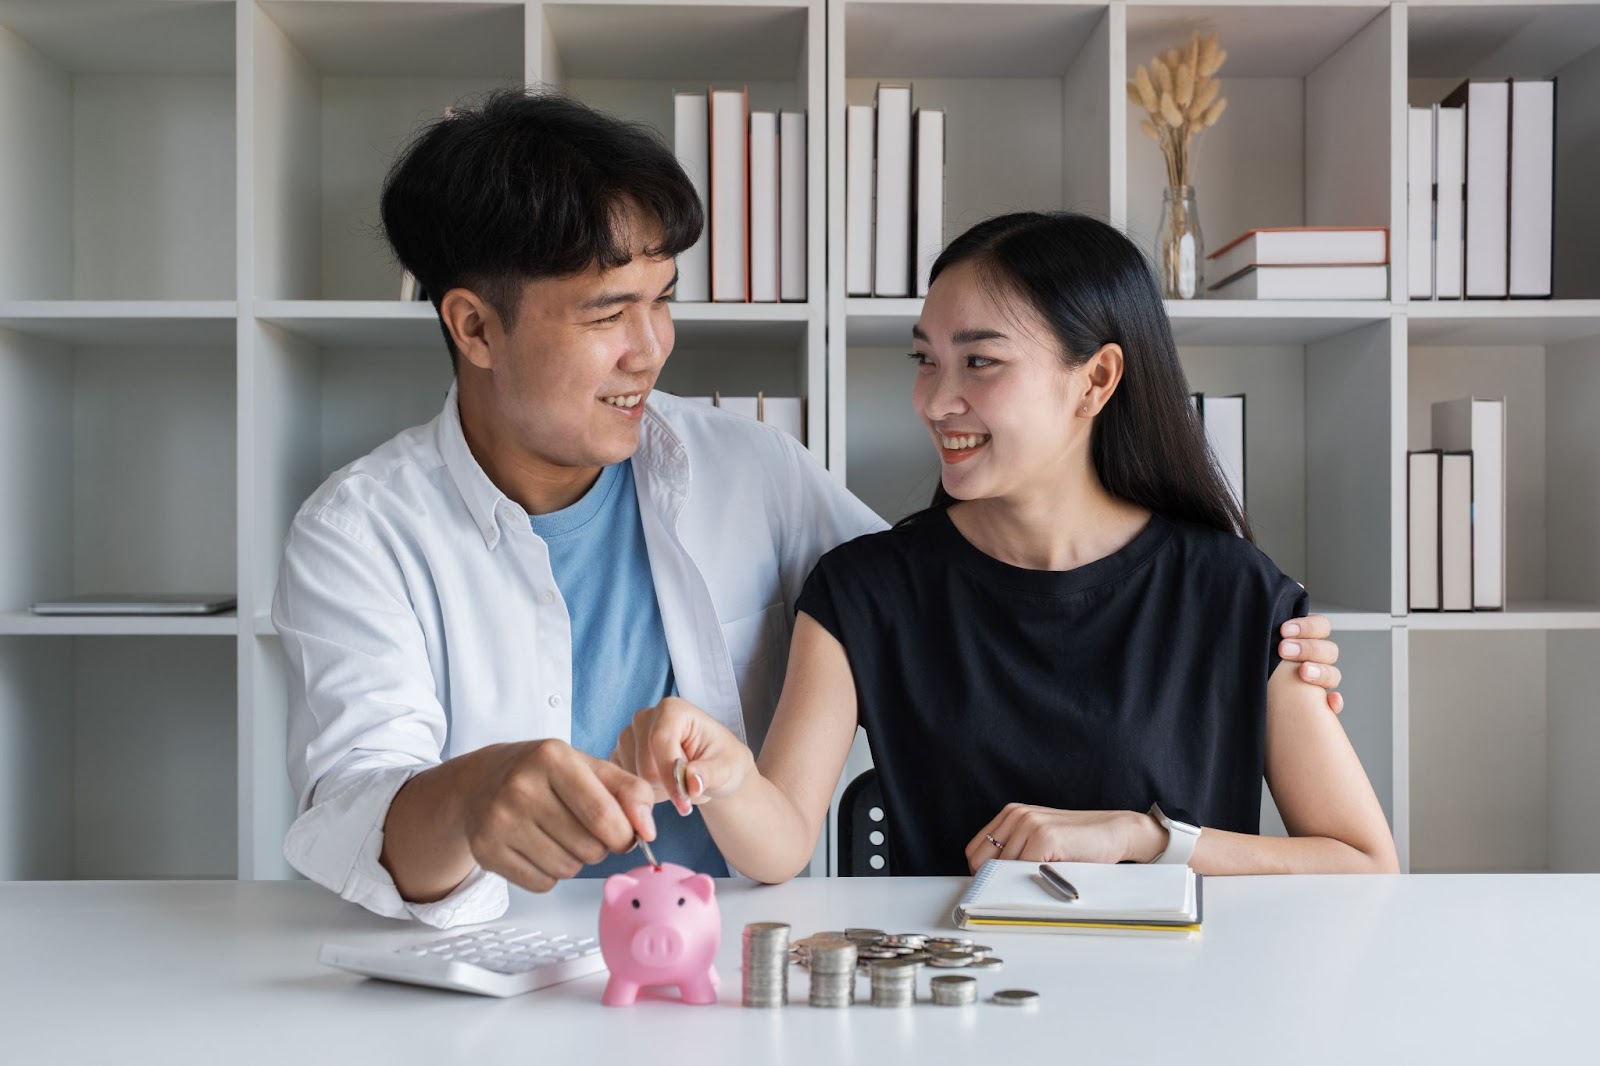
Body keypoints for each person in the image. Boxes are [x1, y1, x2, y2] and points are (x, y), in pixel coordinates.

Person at [275, 90, 1347, 927]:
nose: (652, 349)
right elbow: (351, 808)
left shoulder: (751, 471)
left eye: (661, 301)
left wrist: (1239, 639)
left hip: (730, 968)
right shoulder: (361, 534)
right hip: (495, 972)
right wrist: (471, 797)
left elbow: (961, 597)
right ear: (473, 328)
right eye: (610, 312)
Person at [615, 211, 1397, 881]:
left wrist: (1145, 839)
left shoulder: (1236, 592)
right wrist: (724, 772)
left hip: (1183, 1010)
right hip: (955, 1003)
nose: (934, 400)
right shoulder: (865, 589)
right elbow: (778, 844)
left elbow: (1363, 863)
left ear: (1095, 381)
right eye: (926, 360)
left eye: (980, 361)